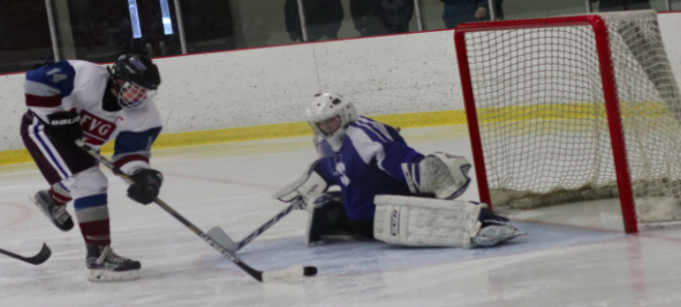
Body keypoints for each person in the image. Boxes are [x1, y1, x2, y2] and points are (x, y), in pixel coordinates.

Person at [273, 92, 524, 248]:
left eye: (331, 120)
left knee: (426, 213)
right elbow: (339, 166)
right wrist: (317, 179)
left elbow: (395, 156)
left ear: (345, 113)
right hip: (363, 218)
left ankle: (480, 219)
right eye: (322, 123)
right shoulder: (324, 142)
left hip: (390, 208)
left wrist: (424, 170)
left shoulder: (363, 134)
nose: (327, 126)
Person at [20, 53, 163, 282]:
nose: (141, 97)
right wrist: (56, 116)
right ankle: (99, 256)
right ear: (118, 79)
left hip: (80, 145)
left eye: (145, 91)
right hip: (43, 130)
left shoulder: (144, 114)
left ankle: (52, 199)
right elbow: (36, 80)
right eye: (135, 88)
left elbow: (129, 155)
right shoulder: (85, 74)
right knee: (89, 181)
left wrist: (141, 175)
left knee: (83, 180)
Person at [350, 0, 415, 37]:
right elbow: (355, 12)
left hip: (398, 31)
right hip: (371, 32)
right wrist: (361, 28)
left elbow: (408, 9)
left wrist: (400, 24)